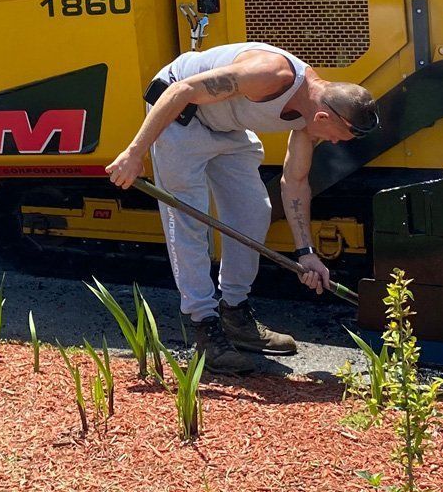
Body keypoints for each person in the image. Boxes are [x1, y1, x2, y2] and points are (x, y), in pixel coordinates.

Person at [106, 42, 377, 374]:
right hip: (180, 118)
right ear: (323, 116)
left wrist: (305, 252)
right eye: (336, 137)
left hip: (226, 127)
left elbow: (294, 183)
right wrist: (135, 153)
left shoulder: (312, 117)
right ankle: (205, 329)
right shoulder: (268, 74)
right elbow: (181, 90)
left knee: (254, 211)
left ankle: (235, 313)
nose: (332, 142)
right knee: (190, 220)